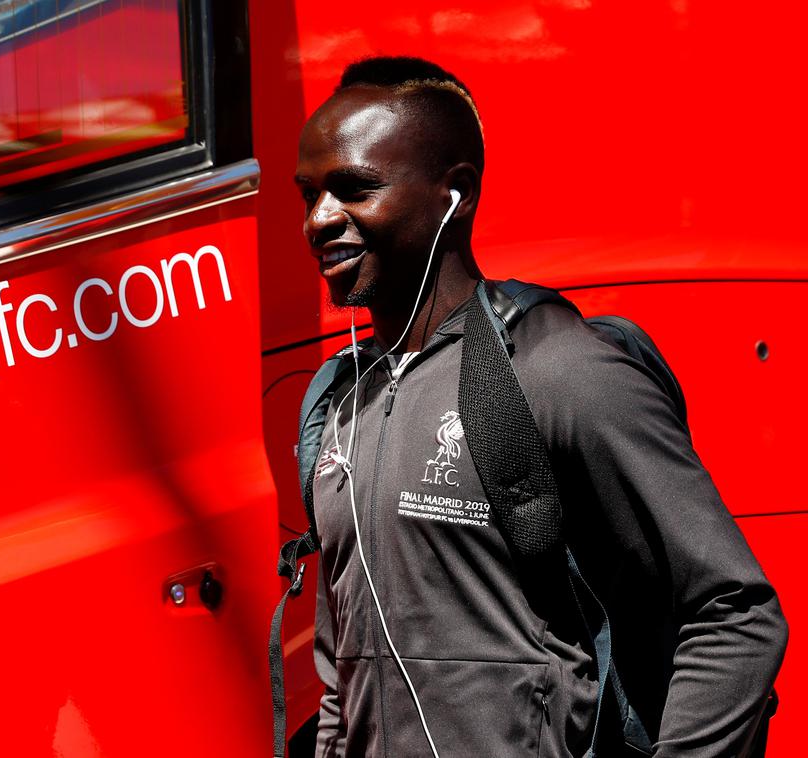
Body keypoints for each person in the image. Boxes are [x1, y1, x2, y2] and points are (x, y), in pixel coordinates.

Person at [294, 56, 788, 757]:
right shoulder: (337, 404)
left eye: (355, 189)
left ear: (453, 194)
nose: (319, 220)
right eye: (308, 193)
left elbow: (734, 614)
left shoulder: (558, 370)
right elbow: (342, 673)